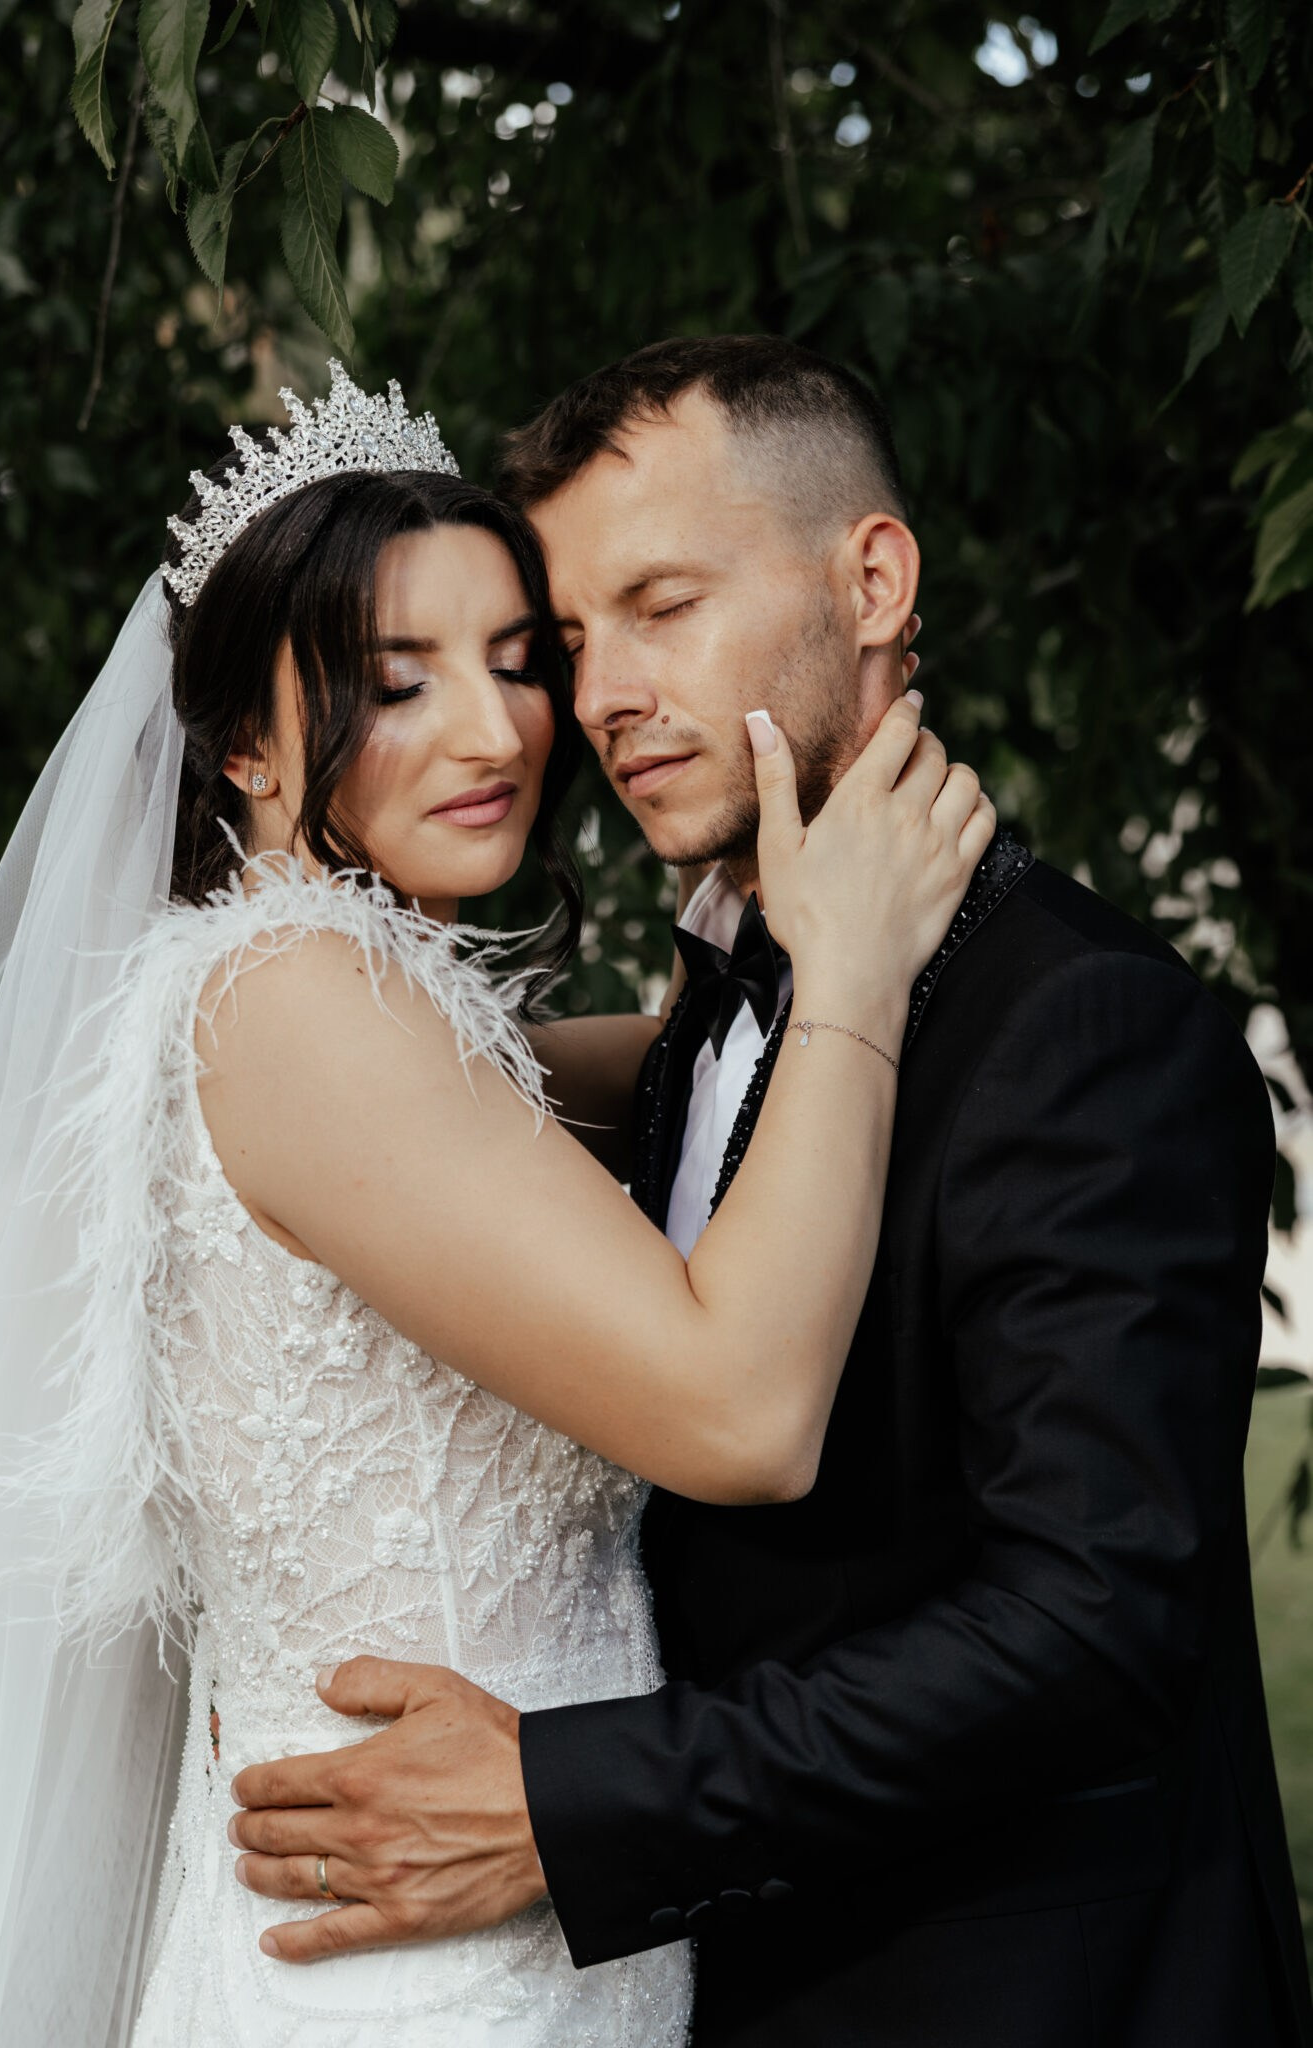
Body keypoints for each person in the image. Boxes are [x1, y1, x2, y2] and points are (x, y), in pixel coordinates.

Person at [230, 338, 1313, 2048]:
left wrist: (568, 1803)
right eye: (570, 641)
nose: (599, 697)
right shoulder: (712, 1009)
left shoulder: (1079, 1022)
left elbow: (1090, 1631)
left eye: (662, 606)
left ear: (871, 583)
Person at [0, 360, 992, 2048]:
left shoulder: (301, 1005)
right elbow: (739, 1416)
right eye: (396, 682)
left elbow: (624, 1082)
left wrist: (754, 956)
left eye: (517, 660)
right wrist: (857, 971)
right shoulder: (302, 1002)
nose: (496, 730)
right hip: (419, 1977)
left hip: (502, 1925)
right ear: (242, 744)